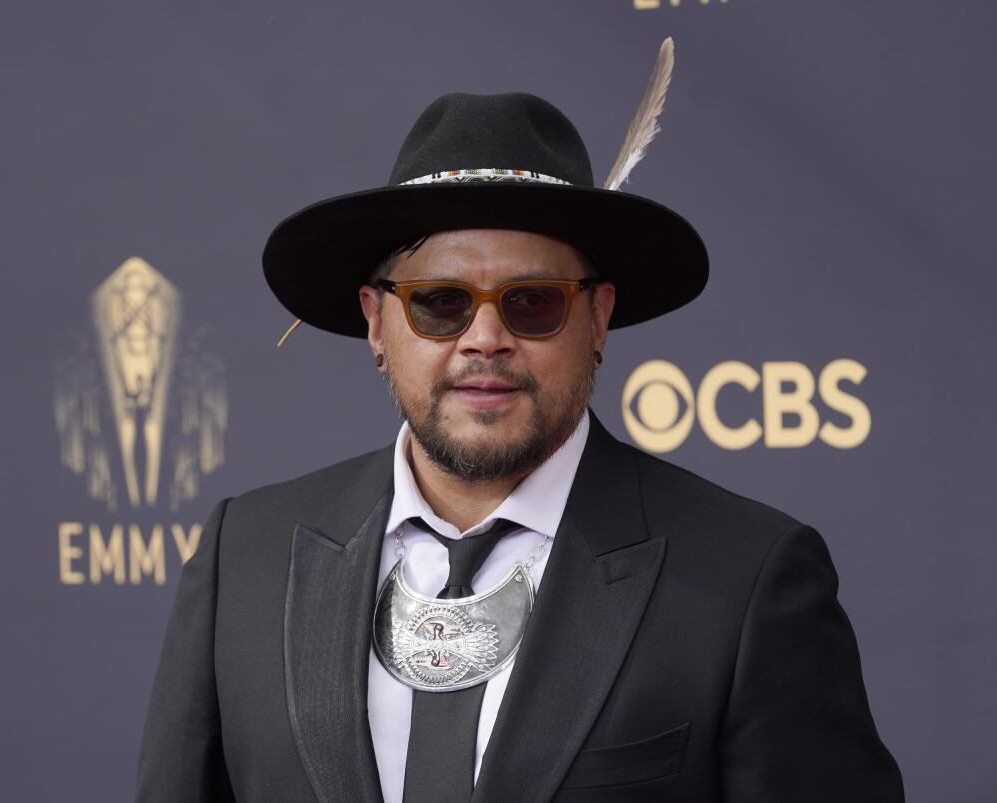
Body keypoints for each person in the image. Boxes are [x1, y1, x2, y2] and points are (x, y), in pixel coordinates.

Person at [136, 90, 905, 802]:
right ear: (377, 323)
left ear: (597, 320)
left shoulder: (746, 579)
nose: (485, 339)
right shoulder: (245, 558)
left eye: (531, 302)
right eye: (440, 303)